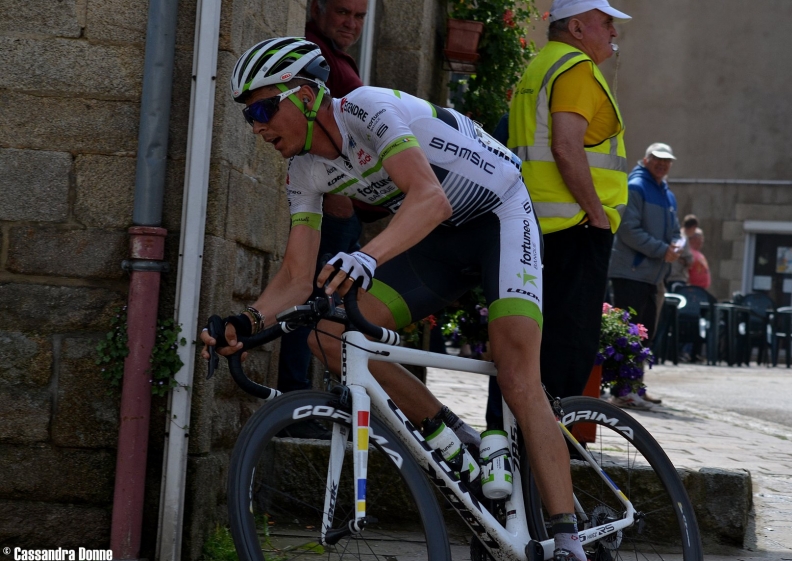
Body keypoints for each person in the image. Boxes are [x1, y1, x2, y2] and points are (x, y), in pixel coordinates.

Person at [202, 37, 588, 561]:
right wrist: (245, 323)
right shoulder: (304, 172)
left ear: (307, 94)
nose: (257, 127)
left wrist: (367, 257)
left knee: (518, 374)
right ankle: (450, 436)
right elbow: (297, 275)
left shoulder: (367, 107)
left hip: (499, 212)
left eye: (265, 108)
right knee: (328, 334)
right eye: (249, 116)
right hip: (440, 239)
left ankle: (568, 540)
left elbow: (428, 197)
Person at [509, 0, 631, 405]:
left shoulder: (540, 64)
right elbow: (565, 146)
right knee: (567, 350)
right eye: (606, 22)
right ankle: (554, 452)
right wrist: (597, 215)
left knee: (528, 350)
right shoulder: (576, 67)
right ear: (577, 28)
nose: (613, 31)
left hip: (536, 226)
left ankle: (511, 449)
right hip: (575, 229)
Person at [276, 0, 370, 436]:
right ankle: (298, 405)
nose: (351, 23)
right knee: (313, 306)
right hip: (331, 208)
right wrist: (336, 195)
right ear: (316, 9)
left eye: (359, 16)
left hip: (349, 209)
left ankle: (316, 403)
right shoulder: (312, 56)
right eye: (342, 13)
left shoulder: (335, 56)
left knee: (327, 309)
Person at [608, 142, 682, 350]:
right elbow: (628, 230)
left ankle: (634, 382)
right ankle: (622, 383)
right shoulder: (635, 187)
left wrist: (676, 245)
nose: (662, 164)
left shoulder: (668, 195)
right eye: (658, 159)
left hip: (653, 277)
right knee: (625, 337)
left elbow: (675, 230)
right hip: (630, 275)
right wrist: (662, 250)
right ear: (646, 160)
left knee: (644, 339)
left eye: (667, 160)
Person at [666, 214, 698, 293]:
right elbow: (689, 260)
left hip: (668, 276)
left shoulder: (674, 235)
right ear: (693, 227)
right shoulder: (683, 238)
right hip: (677, 277)